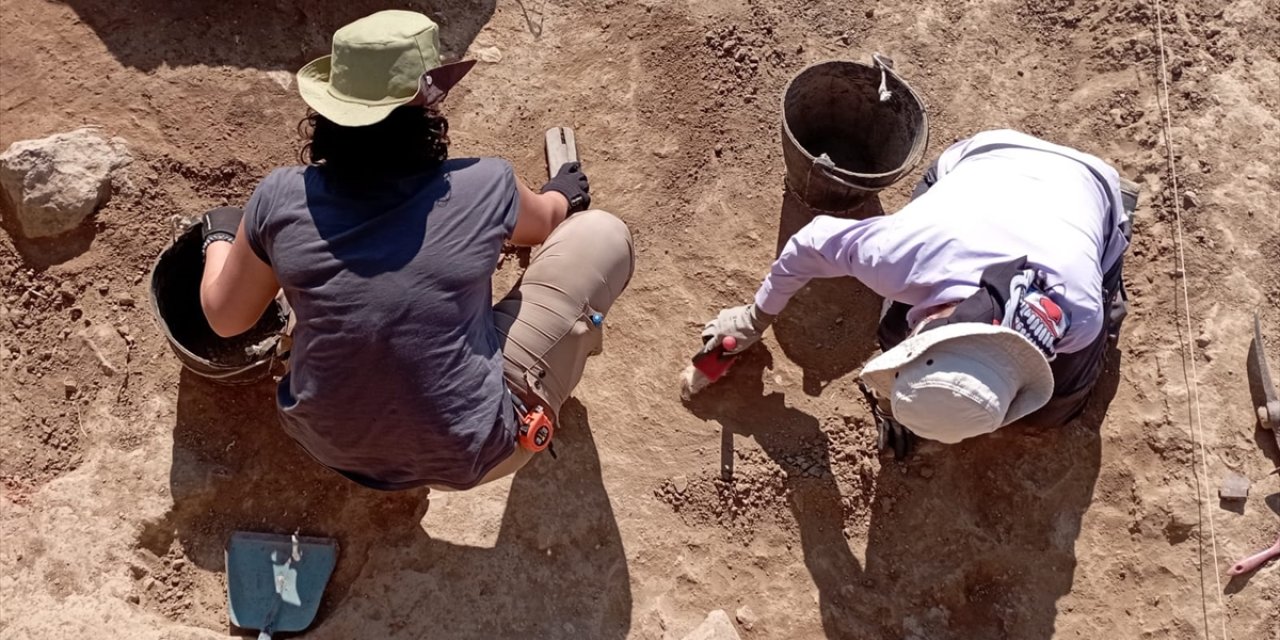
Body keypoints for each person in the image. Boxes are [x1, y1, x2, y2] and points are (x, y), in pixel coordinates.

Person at [198, 10, 634, 490]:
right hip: (474, 453)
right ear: (428, 104)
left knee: (311, 283)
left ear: (328, 109)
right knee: (601, 235)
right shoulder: (485, 184)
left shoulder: (278, 198)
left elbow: (226, 319)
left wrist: (221, 237)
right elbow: (545, 224)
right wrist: (561, 193)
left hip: (330, 445)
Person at [701, 129, 1135, 455]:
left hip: (1093, 192)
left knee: (1063, 399)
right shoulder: (903, 250)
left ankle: (1119, 229)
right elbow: (809, 243)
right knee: (890, 329)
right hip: (986, 157)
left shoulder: (1077, 315)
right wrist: (754, 319)